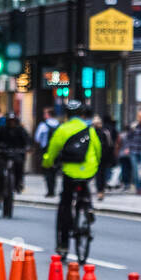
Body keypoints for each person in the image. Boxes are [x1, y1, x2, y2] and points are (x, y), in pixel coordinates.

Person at [41, 100, 102, 259]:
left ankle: (63, 245)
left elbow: (52, 150)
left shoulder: (62, 129)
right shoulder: (89, 129)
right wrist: (97, 164)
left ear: (66, 114)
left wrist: (47, 163)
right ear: (82, 114)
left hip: (70, 170)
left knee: (65, 204)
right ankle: (88, 206)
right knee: (84, 185)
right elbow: (97, 149)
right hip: (88, 169)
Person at [0, 112, 31, 201]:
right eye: (10, 121)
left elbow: (27, 140)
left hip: (16, 153)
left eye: (13, 121)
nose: (12, 123)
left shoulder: (20, 129)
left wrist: (27, 147)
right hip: (2, 154)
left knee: (19, 166)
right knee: (0, 172)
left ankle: (18, 183)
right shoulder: (0, 129)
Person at [34, 106, 60, 197]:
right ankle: (53, 189)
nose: (44, 115)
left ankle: (50, 191)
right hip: (57, 152)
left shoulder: (43, 125)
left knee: (47, 171)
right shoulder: (59, 125)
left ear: (48, 114)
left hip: (46, 152)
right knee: (54, 171)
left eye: (45, 113)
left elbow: (37, 138)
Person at [92, 115, 116, 199]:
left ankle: (100, 190)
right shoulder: (104, 132)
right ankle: (101, 190)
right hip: (101, 157)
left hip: (99, 157)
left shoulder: (93, 132)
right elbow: (110, 145)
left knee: (100, 174)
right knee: (101, 174)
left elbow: (109, 145)